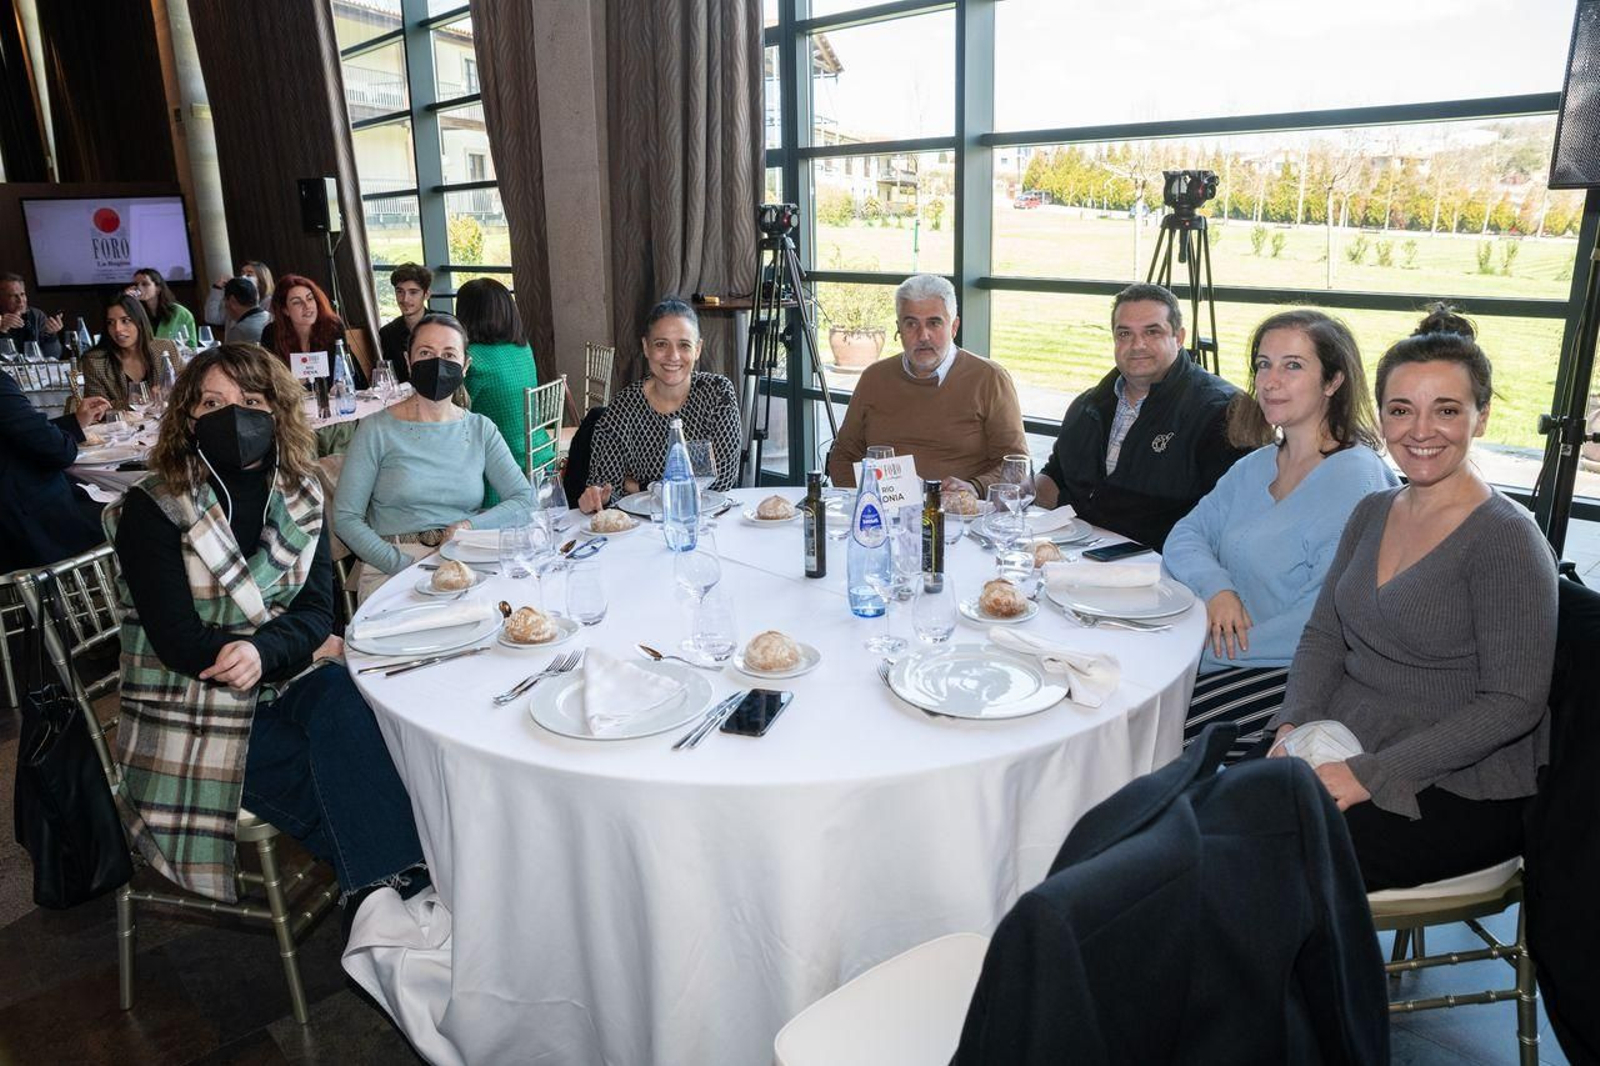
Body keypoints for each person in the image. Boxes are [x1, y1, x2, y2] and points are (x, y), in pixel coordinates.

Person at [103, 343, 426, 906]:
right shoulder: (154, 506)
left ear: (277, 411)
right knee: (328, 770)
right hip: (189, 694)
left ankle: (383, 901)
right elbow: (179, 642)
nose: (233, 415)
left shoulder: (300, 492)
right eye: (212, 402)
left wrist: (264, 652)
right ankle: (398, 888)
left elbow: (316, 612)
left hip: (278, 668)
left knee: (355, 712)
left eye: (251, 400)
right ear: (189, 417)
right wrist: (274, 648)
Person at [1263, 306, 1558, 891]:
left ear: (1483, 417)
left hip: (1453, 784)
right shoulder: (1373, 510)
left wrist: (1371, 775)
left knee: (1266, 864)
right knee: (1210, 823)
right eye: (1402, 410)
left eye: (1446, 410)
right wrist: (1290, 724)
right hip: (1348, 740)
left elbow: (1514, 703)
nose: (1420, 431)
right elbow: (1324, 636)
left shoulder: (1505, 539)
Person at [1162, 310, 1398, 763]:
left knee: (1153, 734)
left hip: (1291, 674)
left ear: (1333, 381)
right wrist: (1217, 588)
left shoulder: (1356, 482)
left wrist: (1196, 656)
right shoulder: (1254, 466)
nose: (1270, 381)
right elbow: (1185, 535)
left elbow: (1318, 626)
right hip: (1221, 654)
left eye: (1292, 365)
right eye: (1262, 364)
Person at [335, 313, 533, 600]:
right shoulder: (376, 429)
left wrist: (469, 526)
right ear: (408, 361)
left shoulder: (480, 429)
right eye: (425, 353)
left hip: (464, 562)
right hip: (393, 566)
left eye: (449, 354)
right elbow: (346, 517)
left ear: (465, 366)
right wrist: (402, 565)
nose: (437, 363)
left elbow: (524, 500)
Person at [1036, 283, 1246, 549]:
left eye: (1152, 331)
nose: (1137, 345)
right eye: (1125, 333)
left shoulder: (1222, 411)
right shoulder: (1088, 406)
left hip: (1162, 570)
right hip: (1075, 553)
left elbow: (1227, 519)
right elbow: (1053, 475)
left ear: (1179, 338)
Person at [827, 274, 1026, 493]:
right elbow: (843, 456)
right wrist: (865, 500)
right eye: (911, 323)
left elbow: (1016, 466)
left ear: (954, 327)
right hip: (885, 514)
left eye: (934, 323)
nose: (923, 336)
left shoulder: (989, 378)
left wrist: (974, 488)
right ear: (899, 329)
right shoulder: (875, 377)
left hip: (960, 514)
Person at [577, 298, 741, 513]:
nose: (673, 356)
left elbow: (722, 482)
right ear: (646, 347)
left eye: (684, 345)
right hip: (642, 531)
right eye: (661, 344)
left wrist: (640, 487)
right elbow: (607, 488)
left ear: (698, 349)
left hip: (709, 523)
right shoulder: (622, 408)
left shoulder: (718, 393)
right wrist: (598, 496)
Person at [0, 367, 111, 571]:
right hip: (26, 529)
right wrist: (64, 439)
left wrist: (75, 423)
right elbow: (58, 451)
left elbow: (17, 435)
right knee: (129, 510)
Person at [457, 277, 554, 499]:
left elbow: (453, 414)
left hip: (500, 469)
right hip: (540, 457)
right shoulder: (522, 348)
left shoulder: (471, 358)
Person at [260, 273, 366, 388]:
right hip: (292, 398)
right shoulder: (271, 333)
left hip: (331, 395)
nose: (307, 306)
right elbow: (269, 378)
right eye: (297, 302)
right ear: (285, 310)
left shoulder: (332, 327)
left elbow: (341, 372)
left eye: (310, 299)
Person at [82, 293, 179, 409]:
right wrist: (134, 401)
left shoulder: (165, 348)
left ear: (139, 322)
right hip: (121, 426)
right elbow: (97, 407)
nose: (117, 329)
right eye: (110, 322)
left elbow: (189, 388)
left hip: (167, 422)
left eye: (125, 321)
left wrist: (170, 393)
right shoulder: (95, 361)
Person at [378, 263, 432, 385]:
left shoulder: (442, 325)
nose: (405, 299)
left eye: (413, 292)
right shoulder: (388, 332)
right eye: (400, 292)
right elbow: (392, 376)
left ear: (426, 295)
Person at [0, 273, 62, 360]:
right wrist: (2, 331)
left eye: (22, 294)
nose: (20, 300)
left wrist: (51, 335)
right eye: (13, 296)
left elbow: (53, 356)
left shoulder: (36, 315)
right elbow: (4, 360)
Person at [130, 267, 198, 342]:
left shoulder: (179, 312)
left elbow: (191, 345)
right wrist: (127, 299)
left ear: (158, 288)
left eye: (145, 284)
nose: (139, 288)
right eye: (136, 284)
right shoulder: (133, 311)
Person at [203, 259, 274, 327]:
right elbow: (212, 318)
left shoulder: (269, 302)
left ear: (262, 279)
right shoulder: (236, 301)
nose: (243, 277)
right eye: (242, 273)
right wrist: (217, 289)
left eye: (249, 275)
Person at [221, 277, 269, 344]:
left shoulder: (238, 331)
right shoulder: (272, 318)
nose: (224, 305)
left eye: (224, 300)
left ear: (232, 301)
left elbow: (230, 354)